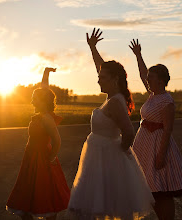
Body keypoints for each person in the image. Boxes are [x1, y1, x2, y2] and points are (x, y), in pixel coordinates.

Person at [67, 28, 154, 220]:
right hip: (98, 157)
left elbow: (129, 132)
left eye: (102, 78)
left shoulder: (115, 101)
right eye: (99, 76)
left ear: (114, 80)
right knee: (101, 204)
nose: (98, 79)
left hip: (107, 158)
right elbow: (101, 67)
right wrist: (93, 48)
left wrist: (117, 152)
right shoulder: (111, 97)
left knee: (110, 204)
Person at [129, 39, 182, 220]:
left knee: (161, 190)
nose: (147, 79)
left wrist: (161, 155)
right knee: (151, 188)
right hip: (144, 145)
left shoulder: (166, 101)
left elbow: (167, 130)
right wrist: (138, 55)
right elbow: (143, 74)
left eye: (151, 77)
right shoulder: (153, 96)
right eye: (148, 77)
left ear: (161, 80)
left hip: (158, 148)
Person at [6, 67, 70, 220]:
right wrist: (46, 73)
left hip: (41, 158)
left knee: (44, 192)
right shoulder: (41, 114)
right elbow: (44, 89)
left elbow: (57, 140)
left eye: (35, 97)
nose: (31, 100)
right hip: (31, 156)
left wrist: (51, 158)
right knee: (29, 192)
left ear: (42, 100)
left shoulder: (46, 118)